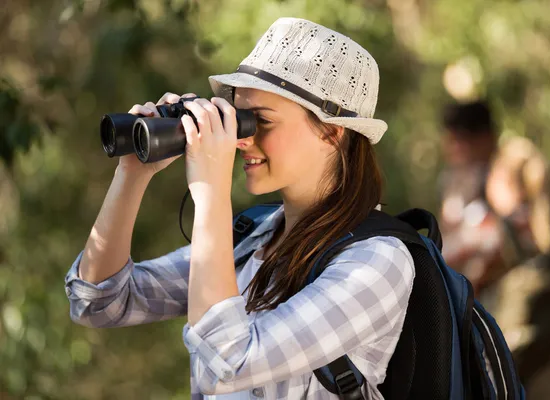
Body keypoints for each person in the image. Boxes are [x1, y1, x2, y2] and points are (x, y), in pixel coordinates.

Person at [65, 17, 415, 399]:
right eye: (238, 119)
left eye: (258, 121)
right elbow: (98, 302)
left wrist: (210, 191)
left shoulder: (376, 262)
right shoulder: (255, 238)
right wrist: (133, 174)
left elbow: (228, 364)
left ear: (332, 131)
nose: (240, 141)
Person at [437, 99, 550, 387]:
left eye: (459, 140)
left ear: (482, 138)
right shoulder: (467, 178)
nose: (453, 149)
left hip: (524, 310)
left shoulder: (512, 174)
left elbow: (491, 244)